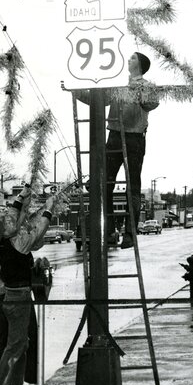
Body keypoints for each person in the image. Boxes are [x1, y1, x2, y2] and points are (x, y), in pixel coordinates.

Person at [73, 52, 159, 250]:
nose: (128, 60)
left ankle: (129, 234)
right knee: (104, 184)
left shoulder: (145, 85)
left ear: (140, 65)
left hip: (134, 137)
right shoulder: (117, 84)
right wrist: (77, 93)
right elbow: (100, 100)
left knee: (133, 187)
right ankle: (109, 230)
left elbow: (151, 103)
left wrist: (136, 91)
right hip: (113, 135)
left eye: (133, 58)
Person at [0, 186, 55, 385]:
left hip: (15, 295)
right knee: (10, 344)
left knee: (22, 343)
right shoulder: (11, 240)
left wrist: (22, 199)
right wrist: (47, 210)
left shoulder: (7, 235)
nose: (8, 217)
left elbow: (17, 219)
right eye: (3, 216)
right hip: (9, 295)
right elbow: (33, 234)